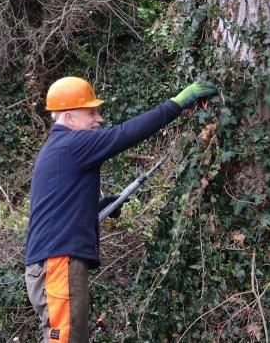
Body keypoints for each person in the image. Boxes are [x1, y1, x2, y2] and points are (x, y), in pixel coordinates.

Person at [24, 76, 217, 343]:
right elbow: (125, 134)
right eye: (91, 112)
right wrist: (177, 103)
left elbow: (56, 208)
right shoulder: (72, 144)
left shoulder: (58, 150)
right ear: (69, 118)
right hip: (57, 265)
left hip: (52, 263)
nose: (99, 118)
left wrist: (98, 208)